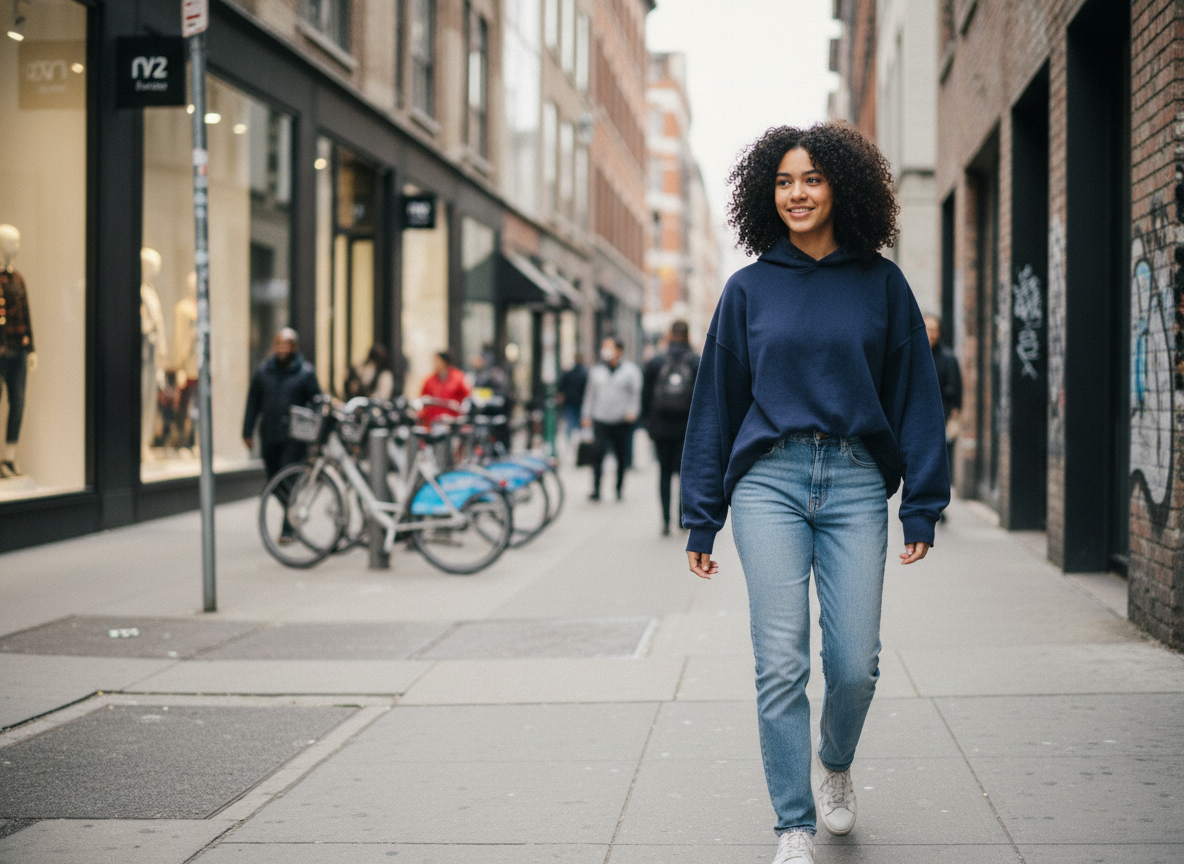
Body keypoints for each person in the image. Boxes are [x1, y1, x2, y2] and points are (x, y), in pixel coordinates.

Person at [680, 123, 950, 864]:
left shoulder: (881, 284)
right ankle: (792, 823)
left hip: (857, 480)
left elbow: (915, 395)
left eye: (812, 180)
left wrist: (923, 500)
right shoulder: (747, 290)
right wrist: (701, 517)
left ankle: (834, 762)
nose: (797, 194)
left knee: (855, 663)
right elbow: (714, 407)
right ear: (769, 194)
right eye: (784, 182)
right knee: (780, 662)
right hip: (769, 481)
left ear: (841, 188)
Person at [642, 320, 699, 535]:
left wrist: (647, 424)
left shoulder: (656, 362)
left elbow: (645, 395)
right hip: (688, 428)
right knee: (686, 474)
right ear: (687, 335)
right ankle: (683, 520)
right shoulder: (695, 361)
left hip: (661, 427)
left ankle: (665, 521)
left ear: (669, 335)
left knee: (664, 473)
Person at [243, 327, 321, 480]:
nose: (283, 348)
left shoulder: (306, 373)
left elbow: (316, 403)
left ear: (295, 347)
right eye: (279, 344)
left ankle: (291, 503)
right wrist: (247, 431)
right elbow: (253, 402)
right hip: (270, 435)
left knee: (288, 476)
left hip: (295, 438)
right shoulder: (263, 372)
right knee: (273, 479)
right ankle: (288, 504)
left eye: (287, 344)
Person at [581, 336, 641, 501]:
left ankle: (619, 488)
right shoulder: (596, 371)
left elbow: (635, 395)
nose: (605, 351)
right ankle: (596, 489)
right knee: (597, 453)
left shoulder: (631, 371)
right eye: (604, 347)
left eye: (609, 347)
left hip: (621, 420)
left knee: (621, 456)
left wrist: (632, 411)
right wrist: (586, 414)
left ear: (619, 350)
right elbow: (590, 395)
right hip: (600, 419)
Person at [925, 314, 963, 487]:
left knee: (942, 462)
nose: (930, 334)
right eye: (926, 329)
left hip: (942, 418)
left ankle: (939, 503)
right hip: (920, 419)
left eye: (934, 330)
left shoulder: (949, 358)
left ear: (939, 333)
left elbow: (956, 393)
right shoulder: (914, 357)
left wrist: (954, 417)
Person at [419, 351, 470, 424]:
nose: (435, 364)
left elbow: (467, 397)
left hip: (453, 421)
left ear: (445, 362)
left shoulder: (458, 378)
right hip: (433, 422)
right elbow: (423, 399)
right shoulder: (429, 380)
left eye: (437, 361)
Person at [556, 356, 588, 441]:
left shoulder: (569, 373)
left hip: (570, 401)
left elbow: (561, 386)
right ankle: (578, 441)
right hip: (579, 401)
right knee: (578, 423)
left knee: (570, 422)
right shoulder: (584, 374)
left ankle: (571, 441)